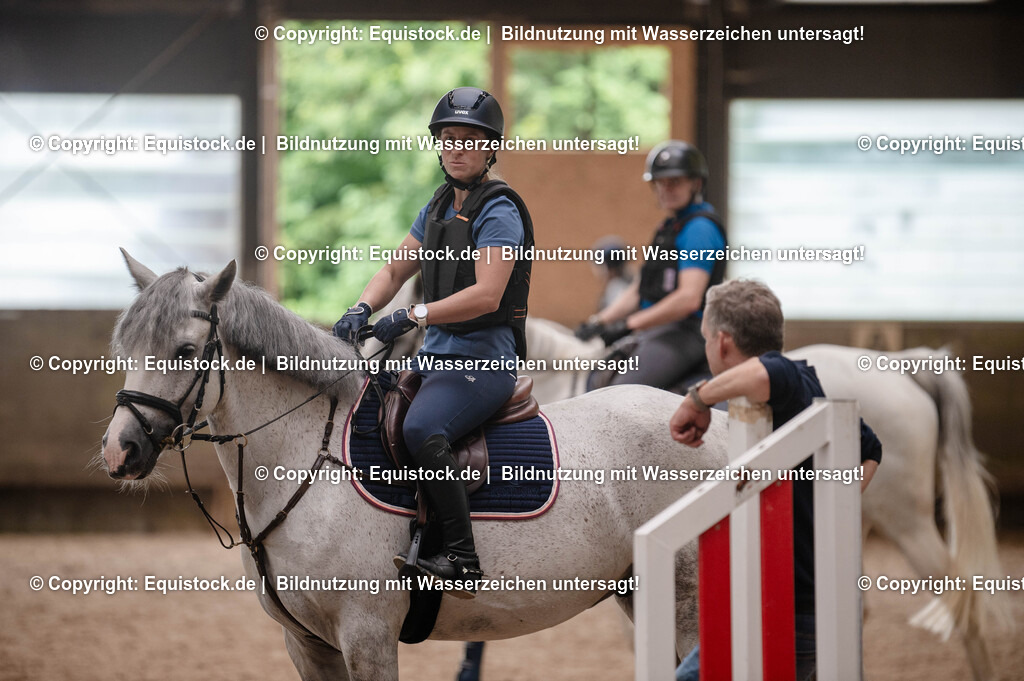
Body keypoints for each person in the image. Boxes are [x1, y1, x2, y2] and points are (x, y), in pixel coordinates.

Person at [332, 87, 533, 598]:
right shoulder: (440, 204)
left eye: (469, 139)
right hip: (438, 356)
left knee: (423, 426)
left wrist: (413, 313)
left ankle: (464, 558)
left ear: (491, 148)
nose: (457, 148)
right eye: (448, 138)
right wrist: (362, 307)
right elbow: (396, 267)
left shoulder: (499, 211)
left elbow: (487, 295)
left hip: (484, 360)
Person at [668, 279, 881, 681]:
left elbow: (769, 369)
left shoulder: (786, 379)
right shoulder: (807, 383)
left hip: (787, 604)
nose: (706, 348)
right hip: (802, 601)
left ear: (724, 343)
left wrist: (697, 399)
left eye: (706, 339)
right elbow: (871, 448)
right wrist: (836, 503)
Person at [575, 140, 726, 389]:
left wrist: (630, 324)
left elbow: (688, 298)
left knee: (620, 393)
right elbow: (639, 289)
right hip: (658, 329)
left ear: (696, 183)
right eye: (660, 183)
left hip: (686, 333)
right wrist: (597, 322)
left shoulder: (700, 229)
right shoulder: (668, 228)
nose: (666, 189)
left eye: (675, 182)